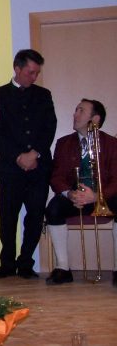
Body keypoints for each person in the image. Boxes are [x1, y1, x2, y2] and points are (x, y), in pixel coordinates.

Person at [0, 49, 57, 279]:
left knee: (36, 215)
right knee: (7, 216)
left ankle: (26, 262)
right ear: (17, 69)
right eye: (30, 72)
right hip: (9, 167)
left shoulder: (44, 95)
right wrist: (18, 156)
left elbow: (50, 128)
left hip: (39, 167)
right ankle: (7, 263)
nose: (34, 77)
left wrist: (34, 153)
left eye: (37, 73)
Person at [45, 99, 117, 285]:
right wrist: (70, 194)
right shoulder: (63, 143)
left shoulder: (111, 143)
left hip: (103, 197)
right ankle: (63, 267)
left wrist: (97, 196)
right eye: (76, 110)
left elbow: (116, 179)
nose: (75, 114)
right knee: (53, 209)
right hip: (75, 198)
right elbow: (56, 176)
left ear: (95, 119)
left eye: (81, 111)